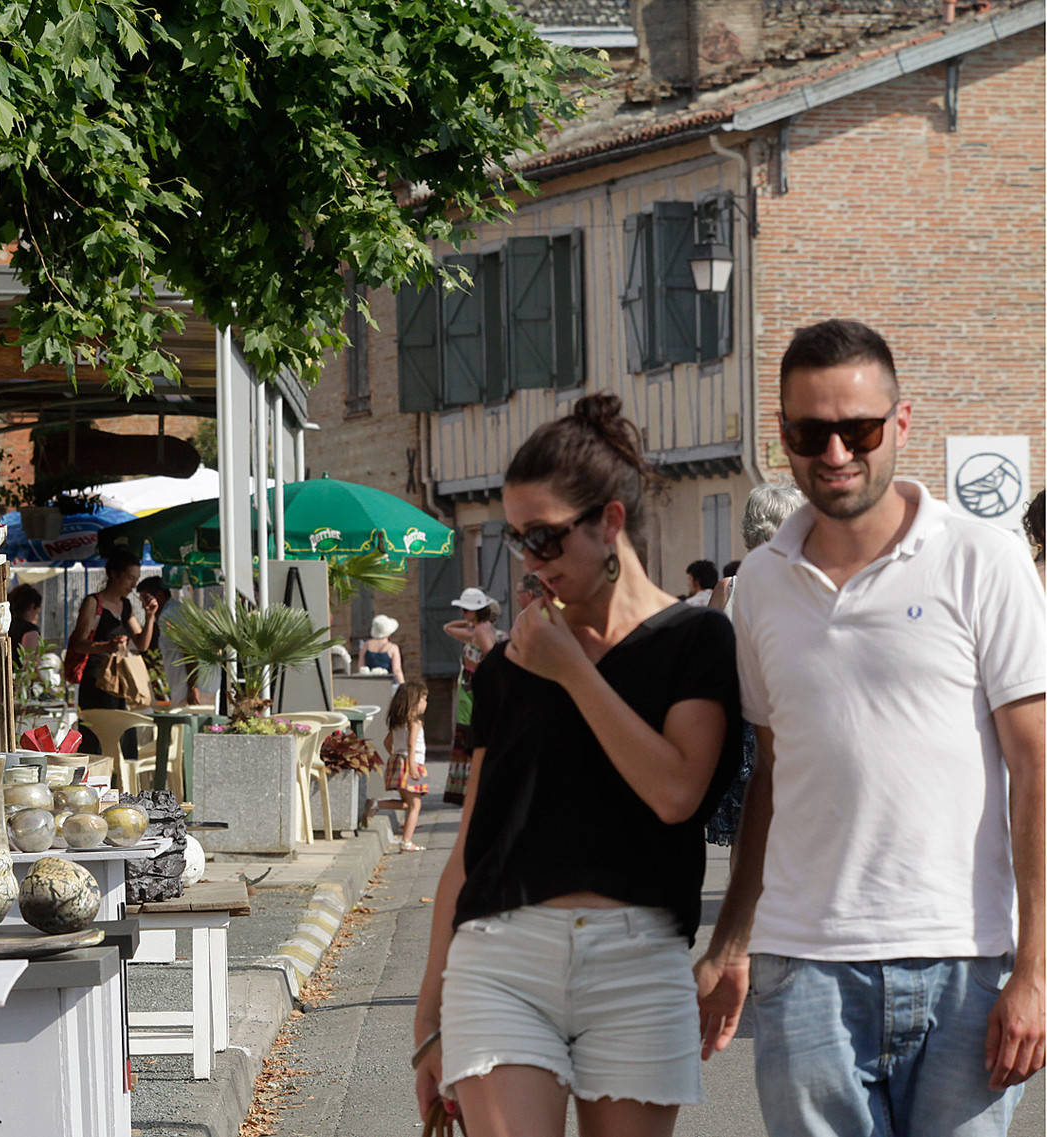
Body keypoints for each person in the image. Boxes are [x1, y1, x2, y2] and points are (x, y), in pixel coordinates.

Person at [694, 319, 1046, 1137]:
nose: (838, 452)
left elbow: (1034, 772)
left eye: (860, 428)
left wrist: (1034, 970)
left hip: (966, 960)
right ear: (783, 433)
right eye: (813, 432)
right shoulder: (763, 588)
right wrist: (731, 941)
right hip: (804, 970)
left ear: (902, 423)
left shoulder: (980, 558)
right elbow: (772, 777)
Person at [412, 393, 742, 1137]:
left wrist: (573, 672)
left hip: (639, 960)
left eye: (545, 539)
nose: (529, 561)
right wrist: (428, 1013)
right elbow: (470, 848)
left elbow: (675, 791)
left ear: (610, 524)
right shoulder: (509, 666)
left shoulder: (694, 642)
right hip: (500, 956)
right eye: (517, 540)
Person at [703, 477, 805, 848]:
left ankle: (745, 906)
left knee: (748, 840)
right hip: (793, 724)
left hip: (742, 727)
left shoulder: (729, 588)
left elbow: (708, 663)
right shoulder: (812, 587)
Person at [69, 550, 158, 713]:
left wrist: (150, 616)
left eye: (136, 580)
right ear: (114, 574)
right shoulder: (93, 603)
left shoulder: (126, 605)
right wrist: (108, 646)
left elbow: (142, 645)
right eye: (130, 578)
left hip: (119, 680)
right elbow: (79, 644)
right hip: (96, 680)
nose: (133, 585)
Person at [440, 588, 502, 807]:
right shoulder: (481, 630)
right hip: (472, 694)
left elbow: (492, 658)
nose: (464, 614)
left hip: (473, 696)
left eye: (466, 610)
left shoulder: (480, 632)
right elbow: (448, 628)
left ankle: (475, 790)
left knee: (471, 742)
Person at [136, 576, 205, 706]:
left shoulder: (170, 615)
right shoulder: (170, 612)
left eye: (146, 599)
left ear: (159, 595)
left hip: (187, 686)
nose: (143, 606)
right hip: (182, 683)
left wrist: (192, 687)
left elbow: (189, 650)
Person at [384, 681, 430, 853]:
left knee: (409, 803)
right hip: (413, 763)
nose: (426, 703)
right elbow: (412, 745)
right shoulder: (415, 723)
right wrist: (411, 766)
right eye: (423, 699)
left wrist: (395, 757)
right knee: (415, 804)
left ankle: (375, 804)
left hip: (399, 760)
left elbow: (387, 743)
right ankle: (406, 842)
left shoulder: (398, 723)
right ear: (413, 701)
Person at [360, 613, 405, 683]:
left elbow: (361, 667)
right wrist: (402, 685)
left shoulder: (366, 645)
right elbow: (396, 670)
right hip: (388, 684)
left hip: (370, 683)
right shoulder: (392, 648)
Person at [8, 583, 42, 665]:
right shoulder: (30, 631)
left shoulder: (6, 626)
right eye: (36, 612)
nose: (36, 616)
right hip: (18, 676)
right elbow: (29, 667)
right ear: (32, 606)